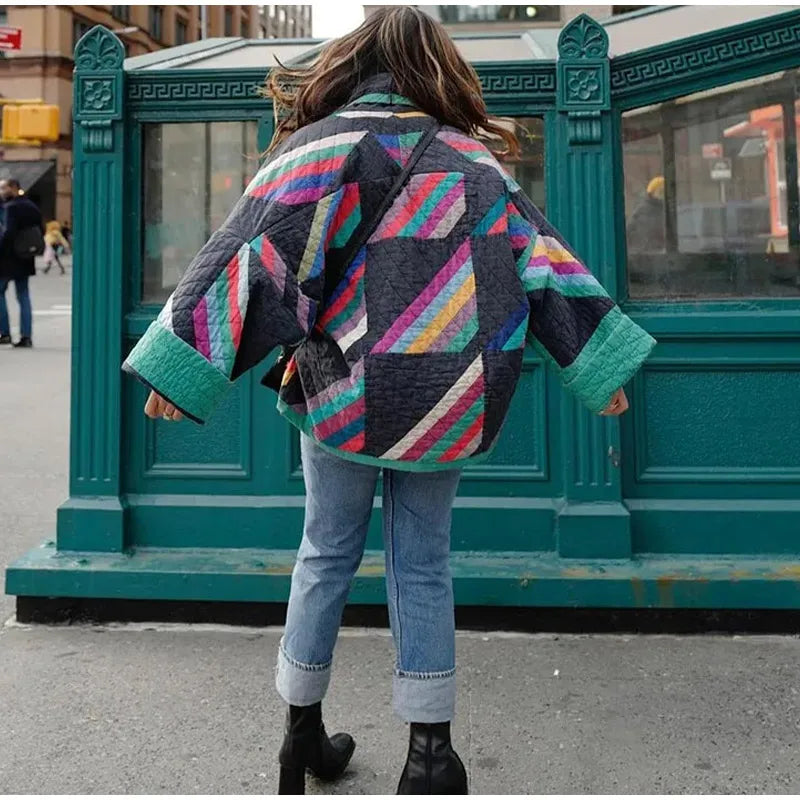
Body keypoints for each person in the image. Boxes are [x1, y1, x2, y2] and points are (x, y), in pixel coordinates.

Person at [121, 7, 656, 794]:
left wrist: (180, 368)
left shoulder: (317, 148)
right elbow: (543, 266)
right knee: (424, 563)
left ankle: (299, 735)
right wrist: (598, 370)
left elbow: (245, 253)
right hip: (445, 398)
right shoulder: (477, 164)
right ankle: (430, 753)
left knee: (324, 552)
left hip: (341, 391)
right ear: (436, 63)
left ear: (356, 59)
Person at [0, 178, 42, 348]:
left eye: (4, 188)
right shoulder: (32, 206)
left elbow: (8, 233)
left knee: (0, 293)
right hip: (26, 257)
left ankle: (5, 332)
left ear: (13, 187)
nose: (2, 191)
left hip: (9, 259)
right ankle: (26, 335)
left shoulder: (12, 207)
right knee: (23, 295)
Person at [627, 175, 666, 253]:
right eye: (660, 192)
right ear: (652, 193)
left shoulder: (664, 210)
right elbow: (628, 231)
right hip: (643, 254)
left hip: (656, 253)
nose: (663, 195)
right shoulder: (643, 210)